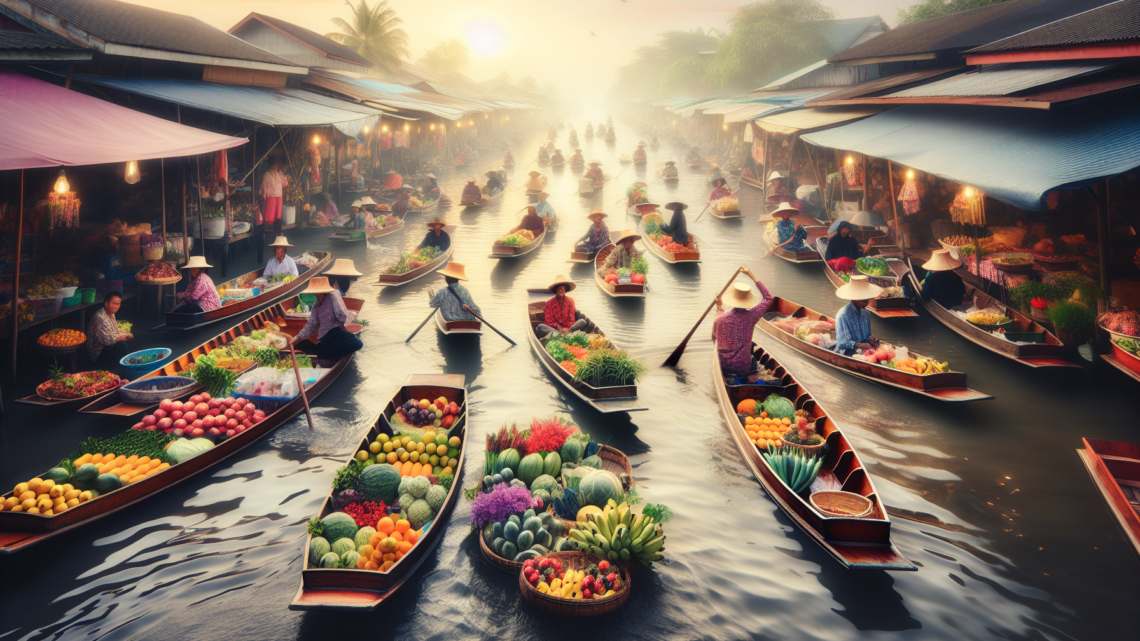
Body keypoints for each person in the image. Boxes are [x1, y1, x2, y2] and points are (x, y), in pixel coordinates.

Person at [712, 268, 773, 377]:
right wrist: (751, 275)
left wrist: (719, 306)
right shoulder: (752, 316)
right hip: (743, 367)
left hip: (724, 365)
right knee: (753, 349)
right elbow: (768, 298)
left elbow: (714, 339)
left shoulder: (719, 319)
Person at [290, 277, 363, 366]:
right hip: (325, 339)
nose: (315, 294)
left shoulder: (332, 296)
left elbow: (342, 315)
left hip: (336, 334)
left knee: (355, 343)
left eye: (317, 291)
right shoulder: (316, 306)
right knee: (306, 347)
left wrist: (342, 327)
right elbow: (311, 325)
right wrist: (297, 338)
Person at [835, 276, 882, 356]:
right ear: (854, 298)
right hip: (846, 354)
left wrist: (872, 340)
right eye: (863, 297)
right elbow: (842, 343)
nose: (867, 299)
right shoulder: (843, 315)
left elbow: (868, 336)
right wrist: (859, 345)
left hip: (864, 352)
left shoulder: (866, 312)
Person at [85, 291, 132, 364]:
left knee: (126, 341)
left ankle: (126, 363)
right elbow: (106, 340)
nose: (116, 306)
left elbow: (115, 331)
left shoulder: (111, 314)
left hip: (107, 345)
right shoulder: (100, 317)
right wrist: (122, 336)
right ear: (106, 303)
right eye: (114, 303)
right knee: (122, 345)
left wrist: (125, 335)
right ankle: (126, 365)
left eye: (118, 304)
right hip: (97, 353)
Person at [260, 162, 289, 236]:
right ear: (271, 165)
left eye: (277, 165)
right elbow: (264, 185)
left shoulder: (279, 173)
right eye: (275, 165)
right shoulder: (266, 174)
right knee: (270, 214)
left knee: (278, 214)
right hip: (270, 195)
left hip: (279, 195)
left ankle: (278, 230)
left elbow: (284, 183)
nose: (276, 166)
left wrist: (285, 177)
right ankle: (270, 229)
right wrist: (264, 195)